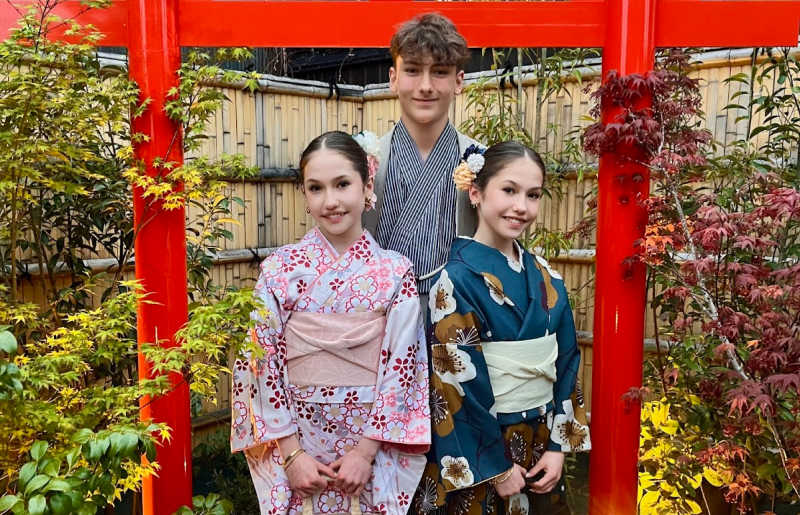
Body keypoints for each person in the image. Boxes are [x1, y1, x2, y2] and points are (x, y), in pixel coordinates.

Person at [231, 131, 430, 515]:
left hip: (371, 442)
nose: (331, 201)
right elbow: (259, 363)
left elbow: (403, 369)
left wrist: (366, 453)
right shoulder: (279, 270)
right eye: (316, 188)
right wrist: (290, 456)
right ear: (304, 196)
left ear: (367, 184)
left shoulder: (394, 271)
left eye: (342, 184)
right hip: (297, 440)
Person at [413, 142, 591, 514]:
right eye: (508, 190)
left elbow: (568, 362)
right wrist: (495, 466)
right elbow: (453, 382)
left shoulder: (547, 276)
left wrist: (558, 447)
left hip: (540, 445)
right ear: (476, 192)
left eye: (533, 195)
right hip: (485, 453)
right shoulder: (457, 278)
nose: (521, 207)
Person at [363, 13, 479, 302]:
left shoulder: (483, 162)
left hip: (458, 315)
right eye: (413, 70)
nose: (425, 86)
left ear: (458, 81)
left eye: (439, 72)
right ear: (393, 78)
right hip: (379, 315)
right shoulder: (363, 162)